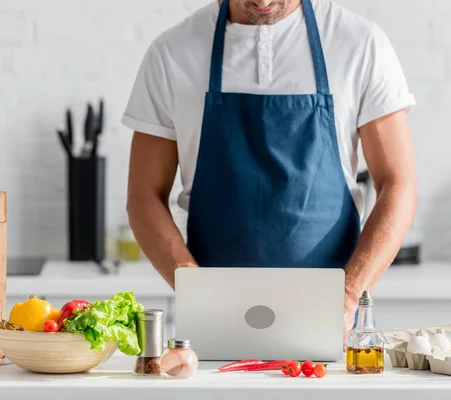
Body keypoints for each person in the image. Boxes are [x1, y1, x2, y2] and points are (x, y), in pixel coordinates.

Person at [123, 0, 417, 340]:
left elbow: (399, 185)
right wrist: (190, 283)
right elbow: (144, 196)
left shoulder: (359, 43)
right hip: (215, 324)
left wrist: (349, 296)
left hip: (332, 325)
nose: (263, 2)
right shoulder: (172, 53)